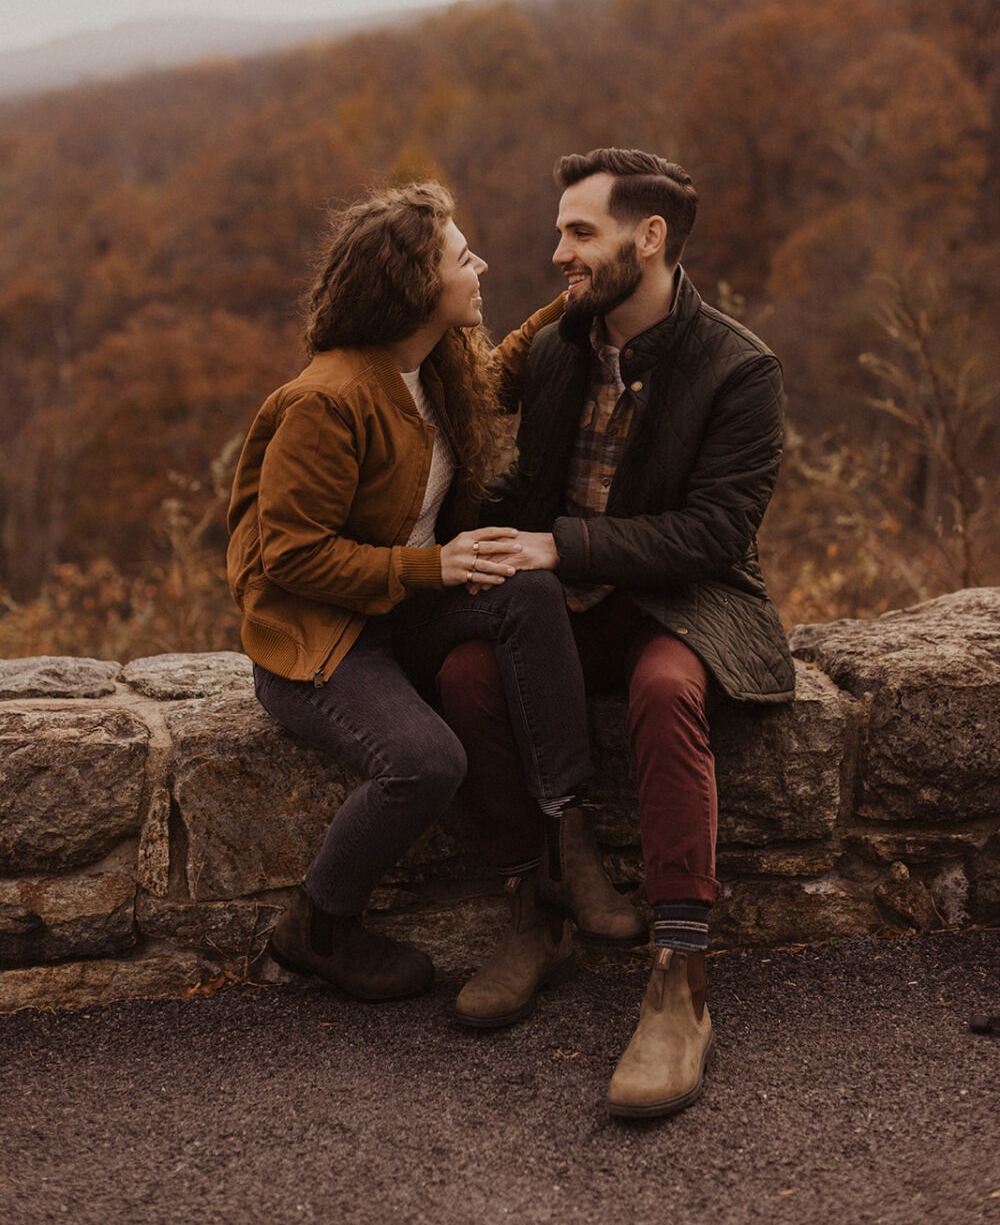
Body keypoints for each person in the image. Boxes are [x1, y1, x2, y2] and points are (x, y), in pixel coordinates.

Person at [437, 148, 795, 1114]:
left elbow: (715, 534)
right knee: (468, 672)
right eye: (561, 231)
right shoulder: (560, 349)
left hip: (687, 603)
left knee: (666, 689)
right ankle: (536, 906)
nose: (559, 252)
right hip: (573, 605)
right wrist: (470, 539)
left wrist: (562, 545)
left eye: (580, 233)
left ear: (651, 239)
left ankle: (680, 978)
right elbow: (525, 486)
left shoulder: (739, 366)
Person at [226, 179, 640, 1004]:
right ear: (418, 288)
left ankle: (567, 831)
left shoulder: (431, 366)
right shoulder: (325, 402)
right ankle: (317, 925)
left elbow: (499, 372)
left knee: (526, 584)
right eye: (462, 257)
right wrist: (436, 566)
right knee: (423, 761)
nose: (479, 265)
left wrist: (582, 295)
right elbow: (291, 560)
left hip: (400, 612)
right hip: (323, 642)